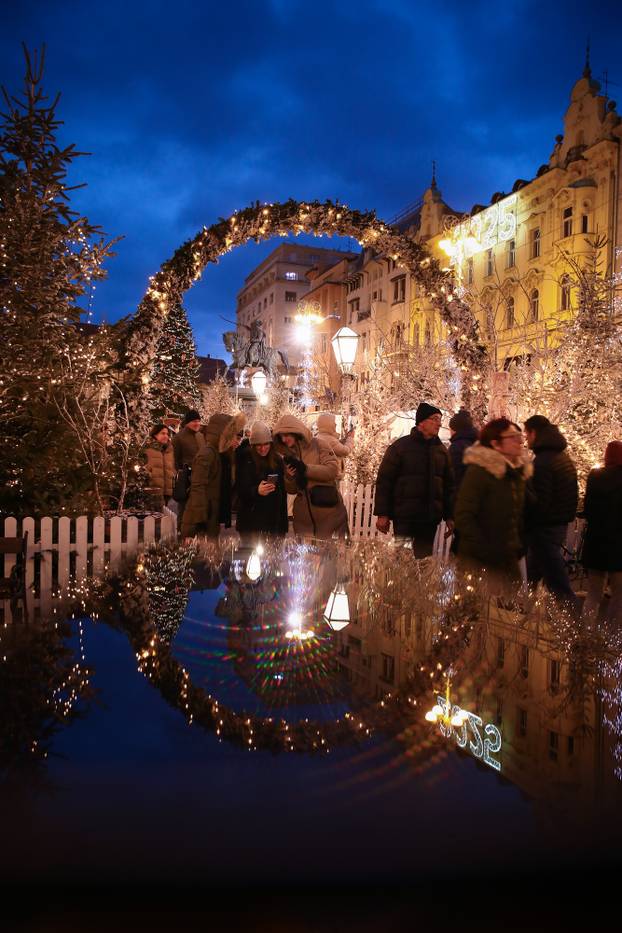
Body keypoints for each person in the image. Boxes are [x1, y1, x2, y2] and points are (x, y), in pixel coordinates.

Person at [454, 418, 532, 587]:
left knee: (507, 608)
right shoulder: (480, 472)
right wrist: (484, 549)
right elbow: (463, 515)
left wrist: (519, 544)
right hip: (478, 560)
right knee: (473, 610)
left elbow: (517, 515)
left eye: (520, 436)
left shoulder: (516, 473)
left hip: (507, 556)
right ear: (496, 444)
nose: (519, 442)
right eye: (512, 437)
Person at [374, 402, 454, 557]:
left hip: (429, 520)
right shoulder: (400, 447)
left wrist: (450, 516)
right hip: (405, 518)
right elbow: (385, 481)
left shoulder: (442, 451)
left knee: (423, 562)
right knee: (402, 560)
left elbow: (449, 486)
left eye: (440, 419)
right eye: (435, 419)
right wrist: (383, 513)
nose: (439, 423)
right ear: (422, 422)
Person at [524, 414, 579, 611]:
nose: (526, 439)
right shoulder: (561, 458)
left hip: (543, 530)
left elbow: (539, 502)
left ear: (534, 433)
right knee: (533, 574)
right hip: (556, 526)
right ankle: (523, 615)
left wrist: (528, 524)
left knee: (558, 585)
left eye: (526, 434)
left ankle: (575, 629)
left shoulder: (543, 462)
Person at [273, 413, 348, 539]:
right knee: (306, 556)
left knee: (334, 555)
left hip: (329, 514)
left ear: (296, 431)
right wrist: (290, 478)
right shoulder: (289, 456)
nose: (284, 440)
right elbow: (291, 490)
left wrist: (305, 469)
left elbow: (332, 470)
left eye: (286, 435)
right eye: (281, 437)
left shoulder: (319, 445)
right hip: (303, 519)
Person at [181, 412, 245, 538]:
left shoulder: (223, 454)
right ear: (222, 435)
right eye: (232, 435)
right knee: (202, 554)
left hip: (211, 516)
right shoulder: (208, 454)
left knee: (211, 554)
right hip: (200, 520)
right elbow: (197, 487)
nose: (235, 439)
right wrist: (201, 520)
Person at [581, 440, 622, 623]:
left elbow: (588, 509)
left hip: (596, 543)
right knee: (619, 598)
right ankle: (612, 639)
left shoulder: (595, 476)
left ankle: (586, 635)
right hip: (619, 547)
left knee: (593, 594)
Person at [235, 421, 288, 536]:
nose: (263, 448)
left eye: (266, 444)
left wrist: (283, 526)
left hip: (272, 523)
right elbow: (239, 490)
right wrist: (256, 491)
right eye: (259, 445)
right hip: (250, 523)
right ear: (253, 445)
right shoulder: (244, 460)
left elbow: (282, 495)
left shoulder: (277, 460)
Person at [172, 409, 206, 527]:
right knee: (184, 508)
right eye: (194, 421)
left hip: (200, 479)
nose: (197, 423)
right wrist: (180, 475)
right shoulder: (179, 438)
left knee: (198, 508)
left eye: (198, 421)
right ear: (187, 422)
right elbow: (174, 459)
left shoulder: (201, 436)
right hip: (186, 480)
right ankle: (182, 533)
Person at [144, 423, 175, 510]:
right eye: (163, 433)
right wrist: (150, 475)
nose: (166, 436)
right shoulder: (148, 450)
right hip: (153, 492)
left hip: (167, 492)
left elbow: (173, 468)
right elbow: (143, 468)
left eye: (167, 434)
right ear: (155, 435)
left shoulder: (170, 450)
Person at [315, 413, 354, 482]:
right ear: (328, 425)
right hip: (333, 476)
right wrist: (350, 438)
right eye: (333, 422)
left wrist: (344, 439)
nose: (335, 425)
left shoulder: (318, 437)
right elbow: (345, 451)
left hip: (323, 474)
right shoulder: (330, 440)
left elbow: (336, 446)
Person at [448, 409, 479, 489]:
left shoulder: (456, 447)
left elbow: (453, 476)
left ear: (455, 430)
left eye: (450, 429)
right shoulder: (477, 443)